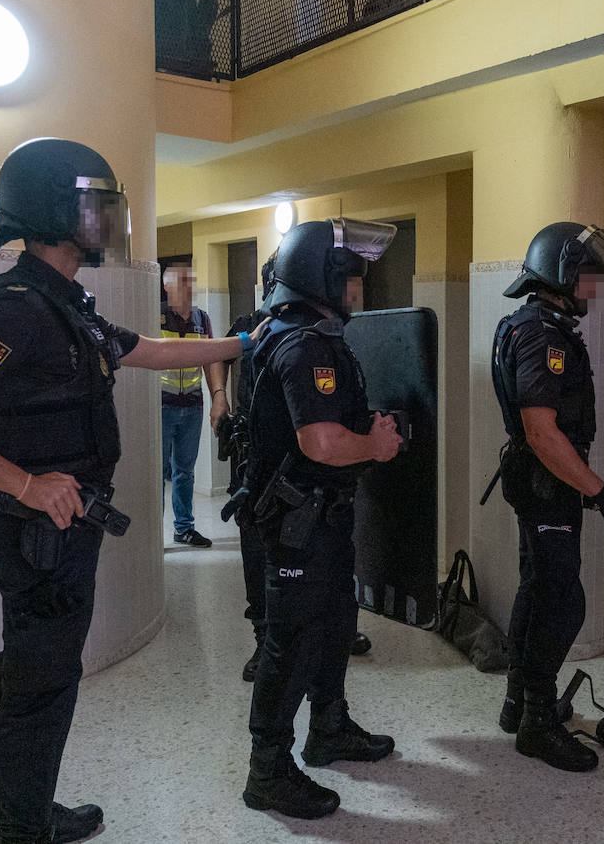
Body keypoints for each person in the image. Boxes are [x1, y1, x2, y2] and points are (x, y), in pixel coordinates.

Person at [0, 137, 247, 844]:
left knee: (43, 675)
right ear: (57, 211)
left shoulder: (66, 304)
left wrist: (242, 345)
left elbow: (149, 350)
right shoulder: (18, 309)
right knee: (38, 681)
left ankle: (31, 809)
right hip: (39, 531)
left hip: (67, 528)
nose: (109, 219)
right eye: (96, 204)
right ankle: (20, 831)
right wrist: (22, 482)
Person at [239, 218, 402, 819]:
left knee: (333, 627)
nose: (360, 289)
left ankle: (329, 729)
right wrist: (377, 446)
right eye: (353, 279)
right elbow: (322, 443)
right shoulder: (305, 343)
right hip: (295, 525)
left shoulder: (314, 332)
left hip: (321, 517)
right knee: (292, 645)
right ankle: (268, 771)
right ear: (323, 278)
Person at [490, 222, 604, 773]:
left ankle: (518, 702)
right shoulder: (542, 334)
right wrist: (602, 494)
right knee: (564, 600)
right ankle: (536, 724)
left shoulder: (533, 325)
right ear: (559, 272)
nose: (592, 287)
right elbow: (541, 431)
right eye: (587, 274)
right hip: (546, 483)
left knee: (538, 587)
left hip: (542, 483)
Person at [220, 255, 373, 684]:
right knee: (263, 559)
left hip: (307, 470)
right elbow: (222, 350)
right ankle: (262, 636)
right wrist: (219, 396)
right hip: (263, 462)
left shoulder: (317, 332)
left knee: (323, 580)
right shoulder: (262, 324)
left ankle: (328, 646)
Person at [160, 261, 226, 547]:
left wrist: (218, 397)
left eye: (190, 281)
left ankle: (184, 528)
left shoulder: (202, 319)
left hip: (192, 406)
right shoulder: (155, 316)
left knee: (184, 471)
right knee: (158, 472)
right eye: (182, 281)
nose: (188, 287)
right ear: (166, 286)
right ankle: (153, 535)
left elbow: (212, 360)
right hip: (161, 406)